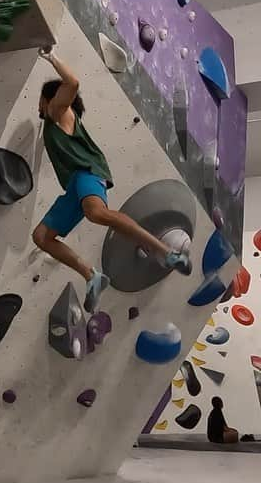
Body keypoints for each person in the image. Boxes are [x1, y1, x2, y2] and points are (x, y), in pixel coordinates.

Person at [32, 48, 191, 313]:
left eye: (40, 99)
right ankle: (91, 275)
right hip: (74, 184)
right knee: (41, 236)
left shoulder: (58, 111)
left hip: (87, 172)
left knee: (96, 213)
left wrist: (52, 57)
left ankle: (165, 251)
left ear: (50, 99)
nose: (38, 104)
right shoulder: (53, 123)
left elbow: (72, 82)